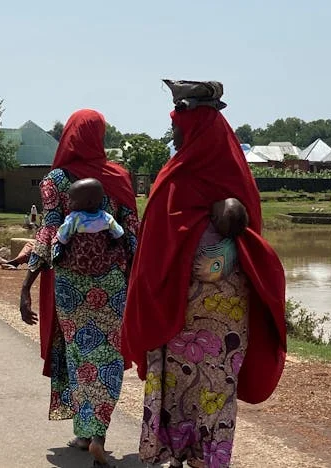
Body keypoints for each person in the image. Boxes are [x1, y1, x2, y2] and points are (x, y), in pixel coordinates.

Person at [122, 80, 287, 468]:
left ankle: (195, 457)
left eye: (177, 128)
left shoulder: (181, 179)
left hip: (201, 313)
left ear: (194, 128)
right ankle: (190, 457)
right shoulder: (192, 177)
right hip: (189, 313)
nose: (174, 137)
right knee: (206, 386)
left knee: (210, 386)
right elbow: (155, 248)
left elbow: (246, 240)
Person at [19, 109, 139, 467]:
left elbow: (48, 232)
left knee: (80, 354)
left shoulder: (56, 179)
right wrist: (136, 279)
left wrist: (27, 284)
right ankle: (95, 431)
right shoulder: (118, 178)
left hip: (70, 286)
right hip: (112, 285)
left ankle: (86, 430)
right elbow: (132, 234)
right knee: (108, 354)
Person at [56, 178, 125, 245]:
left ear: (89, 203)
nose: (69, 202)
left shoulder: (73, 219)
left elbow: (62, 238)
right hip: (102, 255)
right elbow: (119, 235)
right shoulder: (107, 218)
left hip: (78, 255)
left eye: (72, 200)